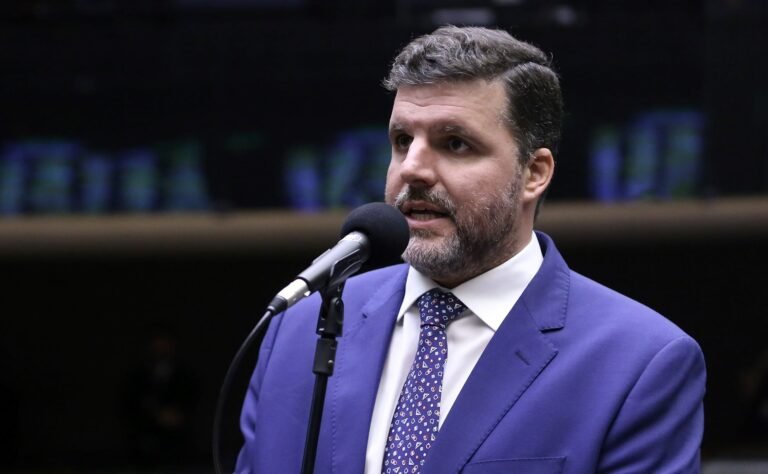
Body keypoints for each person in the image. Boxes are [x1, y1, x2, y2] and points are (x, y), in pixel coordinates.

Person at [236, 25, 705, 473]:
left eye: (455, 143)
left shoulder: (639, 361)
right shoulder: (296, 332)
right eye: (402, 140)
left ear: (534, 173)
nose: (412, 168)